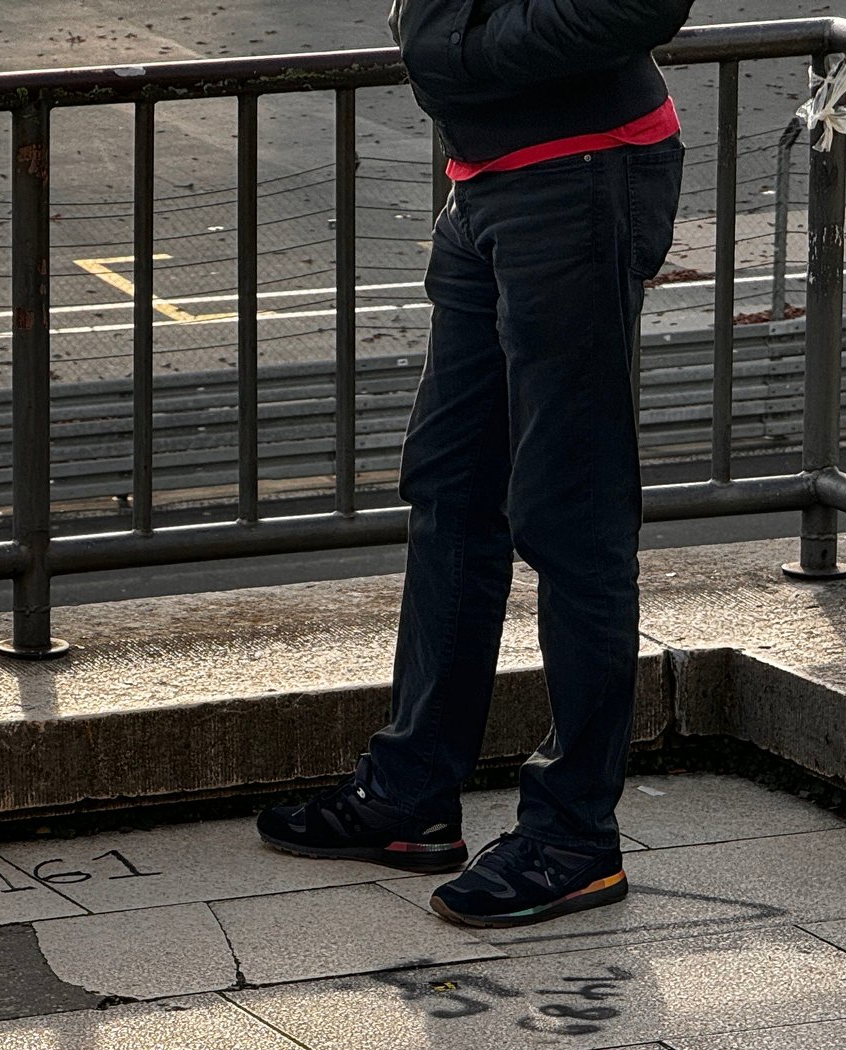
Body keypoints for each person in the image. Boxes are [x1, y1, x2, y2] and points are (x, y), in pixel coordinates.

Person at [258, 0, 691, 927]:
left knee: (570, 516)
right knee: (451, 487)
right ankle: (412, 792)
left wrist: (453, 51)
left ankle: (575, 837)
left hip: (580, 175)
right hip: (487, 185)